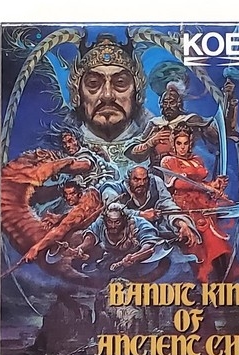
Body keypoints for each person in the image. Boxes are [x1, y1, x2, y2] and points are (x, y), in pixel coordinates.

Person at [160, 127, 239, 282]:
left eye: (185, 143)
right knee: (206, 242)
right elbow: (179, 183)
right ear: (173, 144)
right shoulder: (168, 161)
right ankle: (210, 279)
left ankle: (224, 280)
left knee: (217, 239)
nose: (182, 147)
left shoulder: (197, 159)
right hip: (184, 207)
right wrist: (207, 187)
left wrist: (215, 185)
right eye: (179, 143)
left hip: (204, 205)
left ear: (190, 144)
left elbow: (203, 183)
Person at [66, 33, 148, 165]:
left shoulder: (158, 147)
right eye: (93, 83)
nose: (107, 95)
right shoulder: (59, 150)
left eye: (120, 83)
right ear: (77, 93)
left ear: (137, 91)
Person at [101, 166, 200, 245]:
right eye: (136, 180)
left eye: (145, 179)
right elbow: (113, 210)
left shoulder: (156, 183)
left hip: (157, 232)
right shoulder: (114, 189)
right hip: (128, 237)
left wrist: (180, 222)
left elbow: (167, 204)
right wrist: (141, 214)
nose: (141, 183)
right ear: (128, 180)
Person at [125, 82, 217, 167]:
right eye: (165, 103)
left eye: (172, 102)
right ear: (161, 105)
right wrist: (151, 142)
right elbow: (133, 150)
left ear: (179, 104)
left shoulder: (190, 120)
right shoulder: (155, 124)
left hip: (184, 169)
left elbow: (214, 133)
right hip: (158, 170)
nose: (168, 106)